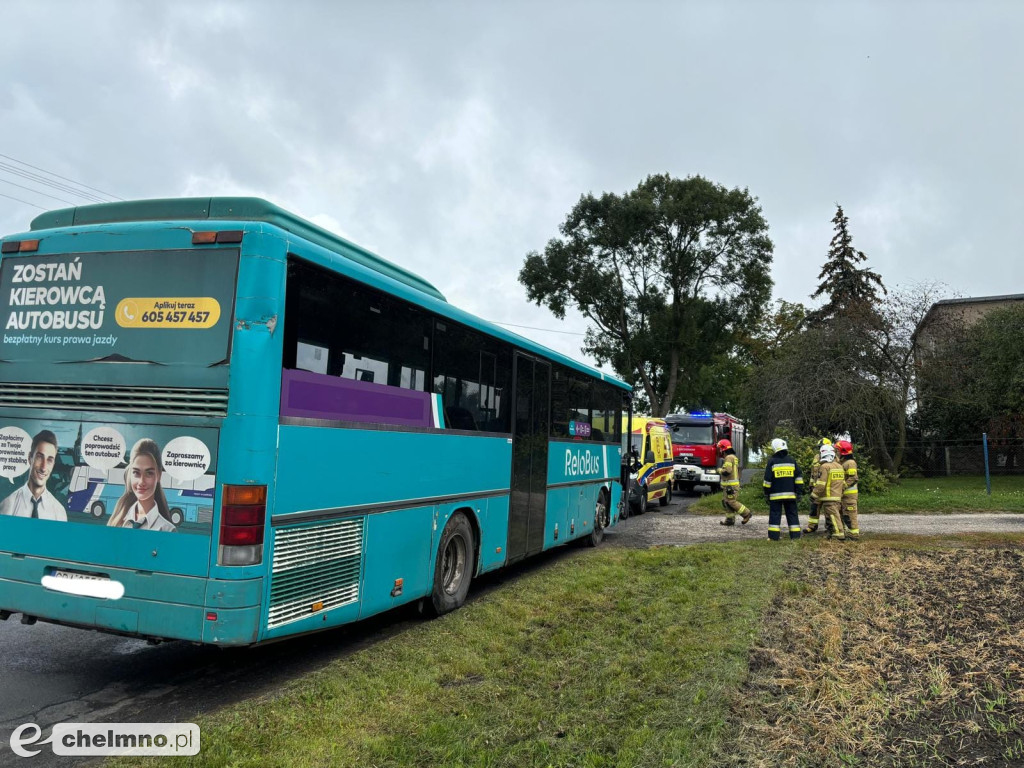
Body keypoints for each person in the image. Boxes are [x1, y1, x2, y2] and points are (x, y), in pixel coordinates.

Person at [107, 439, 176, 532]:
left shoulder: (168, 530)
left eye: (149, 473)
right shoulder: (117, 522)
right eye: (136, 472)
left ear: (159, 475)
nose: (141, 482)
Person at [0, 430, 68, 521]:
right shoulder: (8, 505)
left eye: (49, 460)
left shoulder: (59, 512)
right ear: (30, 458)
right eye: (39, 457)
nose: (43, 468)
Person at [762, 438, 804, 540]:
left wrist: (766, 493)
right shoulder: (792, 461)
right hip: (791, 495)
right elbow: (798, 478)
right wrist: (799, 492)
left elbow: (767, 480)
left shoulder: (772, 462)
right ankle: (795, 537)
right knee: (792, 514)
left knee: (775, 515)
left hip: (775, 496)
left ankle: (773, 537)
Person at [811, 443, 846, 541]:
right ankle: (832, 534)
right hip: (837, 497)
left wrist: (814, 495)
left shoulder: (825, 467)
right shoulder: (839, 466)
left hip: (828, 497)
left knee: (833, 517)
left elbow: (821, 483)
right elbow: (843, 483)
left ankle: (838, 535)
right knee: (835, 516)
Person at [718, 439, 751, 526]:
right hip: (730, 485)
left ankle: (746, 513)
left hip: (731, 486)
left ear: (723, 449)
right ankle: (729, 520)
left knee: (731, 501)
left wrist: (719, 470)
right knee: (727, 502)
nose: (719, 451)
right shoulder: (733, 457)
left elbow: (727, 471)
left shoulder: (728, 458)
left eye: (720, 448)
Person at [803, 437, 832, 534]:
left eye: (821, 447)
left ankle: (830, 528)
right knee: (814, 509)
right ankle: (812, 527)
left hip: (828, 488)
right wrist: (811, 485)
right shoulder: (816, 456)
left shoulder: (833, 457)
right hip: (817, 488)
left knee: (829, 510)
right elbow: (813, 473)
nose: (819, 449)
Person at [835, 439, 860, 541]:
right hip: (843, 494)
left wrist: (842, 486)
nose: (835, 452)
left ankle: (854, 534)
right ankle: (846, 532)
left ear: (842, 451)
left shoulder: (850, 463)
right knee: (843, 514)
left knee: (850, 514)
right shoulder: (842, 462)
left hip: (849, 495)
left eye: (837, 450)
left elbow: (853, 478)